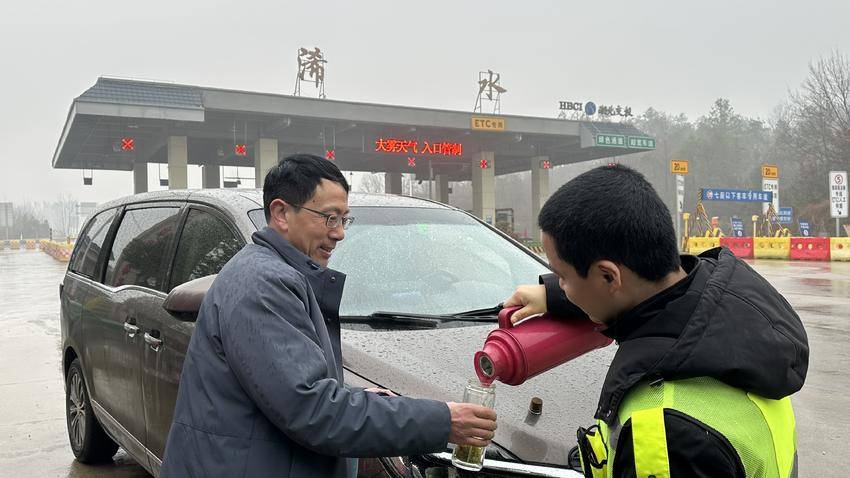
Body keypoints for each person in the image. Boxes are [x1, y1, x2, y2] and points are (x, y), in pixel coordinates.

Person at [161, 154, 497, 477]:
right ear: (281, 213)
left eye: (343, 219)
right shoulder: (263, 285)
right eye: (329, 217)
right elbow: (312, 410)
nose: (339, 233)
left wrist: (361, 399)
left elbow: (293, 389)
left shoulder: (277, 274)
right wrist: (443, 421)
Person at [505, 164, 807, 477]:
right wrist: (554, 294)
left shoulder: (665, 437)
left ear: (608, 277)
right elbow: (638, 294)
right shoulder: (735, 305)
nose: (562, 286)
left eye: (562, 276)